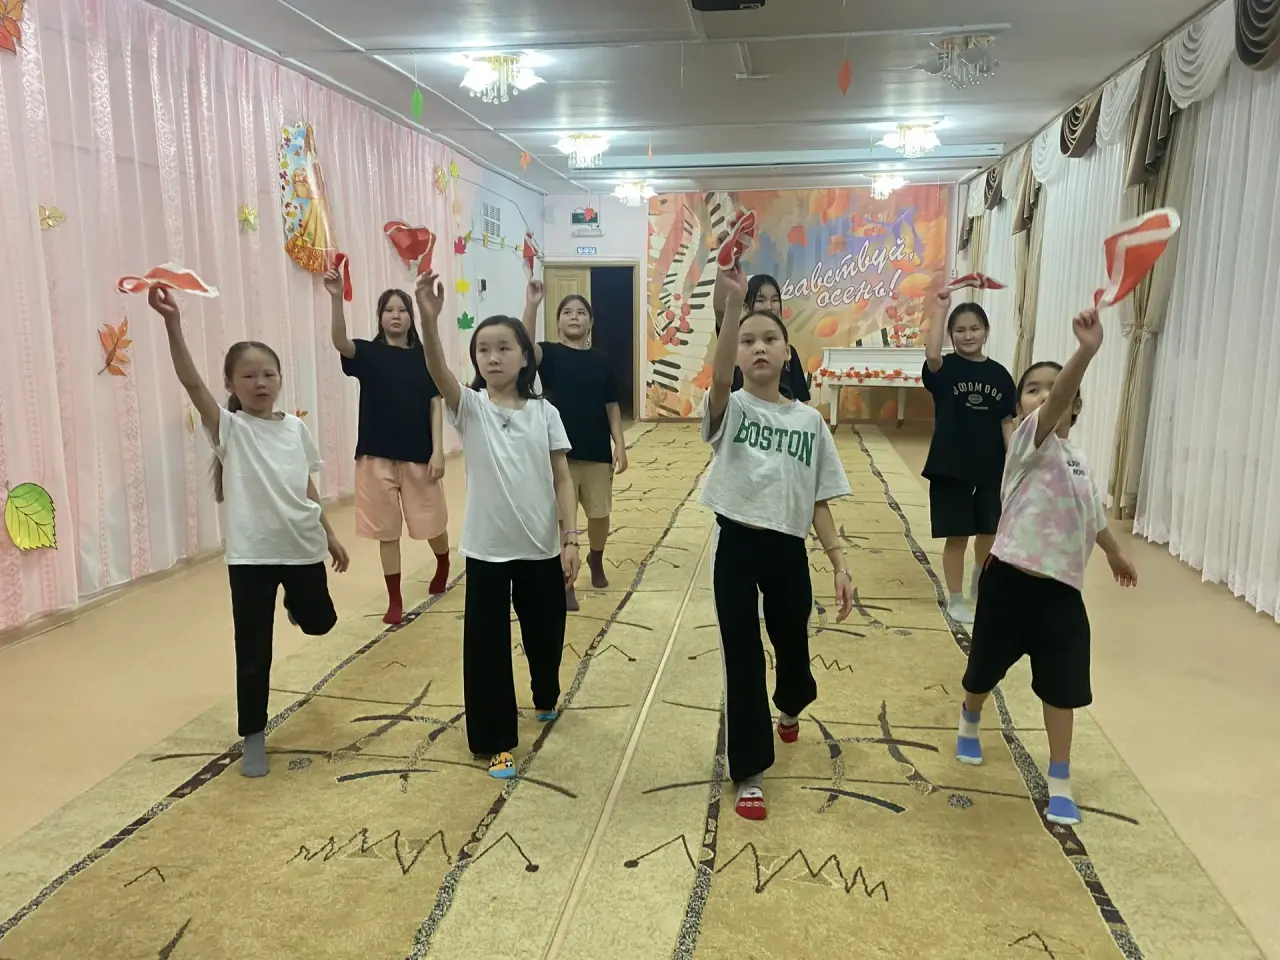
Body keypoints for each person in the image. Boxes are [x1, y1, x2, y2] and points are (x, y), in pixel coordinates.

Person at [149, 286, 350, 778]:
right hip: (252, 558)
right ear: (231, 383)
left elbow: (305, 485)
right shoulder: (230, 429)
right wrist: (173, 325)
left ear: (280, 378)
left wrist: (329, 533)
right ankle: (254, 735)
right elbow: (191, 382)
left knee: (321, 622)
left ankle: (296, 605)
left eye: (269, 374)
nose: (261, 383)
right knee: (253, 650)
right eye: (249, 376)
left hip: (302, 546)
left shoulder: (295, 428)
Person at [954, 308, 1138, 826]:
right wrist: (1086, 351)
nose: (1044, 395)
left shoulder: (1079, 461)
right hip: (1009, 583)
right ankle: (970, 715)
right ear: (1021, 410)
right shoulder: (1027, 446)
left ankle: (1060, 778)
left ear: (1077, 406)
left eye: (1054, 390)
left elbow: (1091, 512)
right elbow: (1053, 404)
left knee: (1063, 687)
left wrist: (1113, 550)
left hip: (1062, 592)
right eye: (1032, 390)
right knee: (984, 669)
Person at [701, 264, 854, 822]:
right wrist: (731, 308)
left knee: (791, 645)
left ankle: (791, 704)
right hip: (737, 549)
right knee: (742, 658)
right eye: (747, 341)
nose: (758, 347)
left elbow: (819, 501)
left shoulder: (809, 422)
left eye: (769, 339)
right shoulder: (731, 408)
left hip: (788, 551)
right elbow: (720, 379)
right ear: (737, 354)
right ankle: (750, 771)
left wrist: (839, 562)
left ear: (788, 354)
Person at [414, 271, 580, 780]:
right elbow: (438, 371)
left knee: (547, 636)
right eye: (483, 350)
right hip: (487, 550)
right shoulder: (471, 408)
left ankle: (545, 692)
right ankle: (495, 741)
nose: (492, 357)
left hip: (541, 547)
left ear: (525, 356)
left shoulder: (544, 412)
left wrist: (570, 538)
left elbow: (563, 478)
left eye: (504, 348)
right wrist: (429, 319)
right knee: (486, 649)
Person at [326, 270, 450, 624]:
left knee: (431, 522)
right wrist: (336, 298)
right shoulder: (368, 353)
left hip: (419, 455)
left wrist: (438, 450)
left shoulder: (425, 357)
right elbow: (340, 341)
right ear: (380, 317)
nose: (396, 315)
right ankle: (394, 599)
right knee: (386, 530)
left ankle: (442, 561)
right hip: (375, 454)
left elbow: (436, 404)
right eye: (388, 310)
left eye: (402, 309)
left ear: (411, 317)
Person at [520, 283, 627, 611]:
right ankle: (565, 580)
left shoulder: (602, 360)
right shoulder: (549, 354)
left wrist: (620, 444)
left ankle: (596, 558)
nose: (574, 317)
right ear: (558, 322)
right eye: (567, 312)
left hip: (596, 451)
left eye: (581, 312)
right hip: (557, 454)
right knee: (562, 520)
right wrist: (532, 305)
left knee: (599, 514)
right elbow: (524, 348)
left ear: (590, 322)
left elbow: (611, 405)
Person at [922, 292, 1017, 624]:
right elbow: (932, 354)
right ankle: (956, 597)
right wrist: (941, 309)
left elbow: (1007, 422)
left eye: (974, 328)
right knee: (958, 535)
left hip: (991, 468)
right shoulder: (945, 369)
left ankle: (980, 579)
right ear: (951, 335)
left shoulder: (1001, 375)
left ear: (986, 331)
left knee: (989, 532)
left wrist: (1014, 463)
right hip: (952, 467)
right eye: (960, 330)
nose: (968, 335)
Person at [713, 272, 811, 402]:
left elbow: (802, 399)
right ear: (746, 306)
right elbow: (721, 312)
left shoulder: (787, 351)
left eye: (775, 300)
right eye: (761, 300)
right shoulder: (735, 342)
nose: (769, 307)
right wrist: (725, 268)